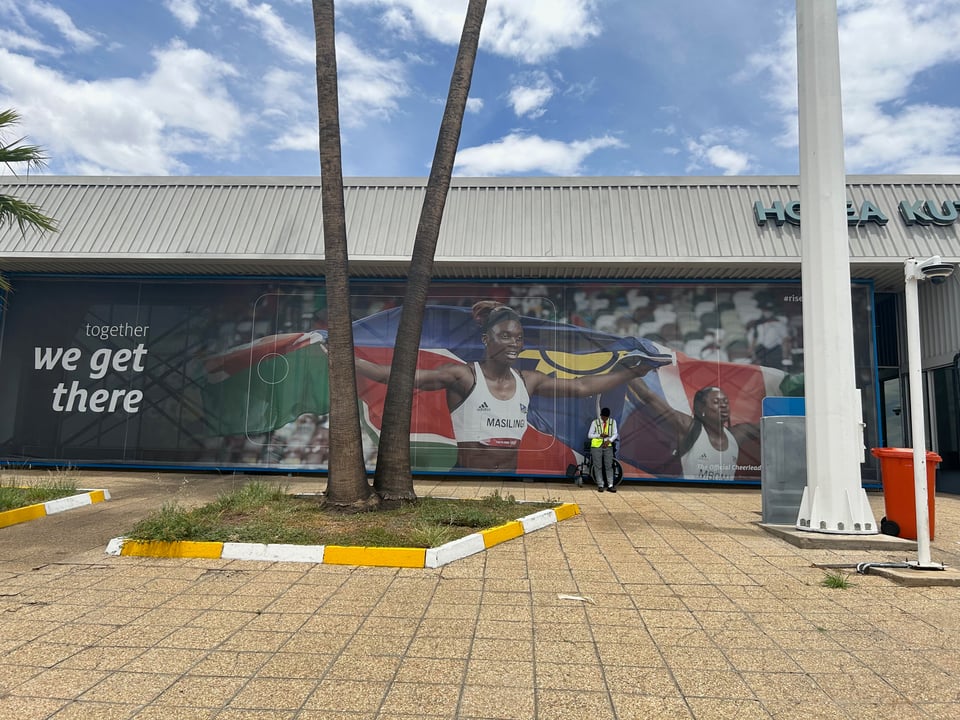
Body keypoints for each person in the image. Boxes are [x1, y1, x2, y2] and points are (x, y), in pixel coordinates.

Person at [354, 300, 667, 472]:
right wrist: (346, 358)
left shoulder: (528, 381)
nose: (515, 343)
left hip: (509, 481)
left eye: (519, 337)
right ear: (485, 340)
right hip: (467, 481)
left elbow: (583, 387)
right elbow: (394, 376)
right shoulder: (464, 376)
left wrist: (633, 372)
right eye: (505, 336)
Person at [629, 380, 757, 481]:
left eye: (725, 402)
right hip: (691, 498)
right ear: (701, 408)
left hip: (724, 502)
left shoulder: (736, 435)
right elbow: (649, 396)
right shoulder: (689, 427)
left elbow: (769, 425)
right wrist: (628, 371)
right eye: (716, 402)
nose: (723, 405)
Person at [588, 407, 618, 492]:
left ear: (608, 416)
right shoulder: (595, 422)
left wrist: (609, 441)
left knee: (609, 465)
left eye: (606, 417)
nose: (604, 419)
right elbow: (589, 435)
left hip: (607, 445)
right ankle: (600, 485)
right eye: (603, 417)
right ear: (601, 415)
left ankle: (610, 485)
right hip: (596, 446)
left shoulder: (613, 422)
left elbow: (615, 434)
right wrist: (599, 435)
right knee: (598, 466)